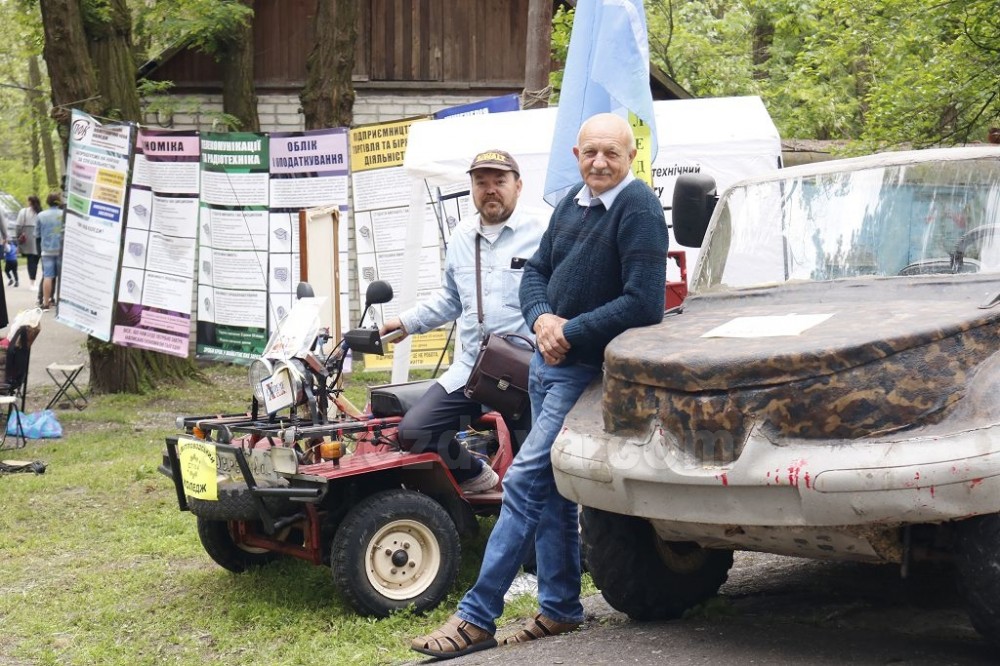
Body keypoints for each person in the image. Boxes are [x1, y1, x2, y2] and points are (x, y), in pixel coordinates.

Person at [411, 113, 668, 659]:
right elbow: (536, 273)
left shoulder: (638, 207)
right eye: (590, 152)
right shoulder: (576, 199)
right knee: (550, 491)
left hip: (581, 369)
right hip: (545, 362)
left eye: (611, 154)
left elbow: (644, 301)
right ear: (577, 154)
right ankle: (559, 610)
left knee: (524, 481)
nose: (600, 162)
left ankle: (477, 617)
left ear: (629, 157)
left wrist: (568, 330)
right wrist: (543, 318)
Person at [380, 149, 546, 493]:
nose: (490, 189)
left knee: (533, 472)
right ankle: (475, 474)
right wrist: (406, 322)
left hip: (528, 372)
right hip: (476, 368)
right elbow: (451, 299)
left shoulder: (545, 230)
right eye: (481, 182)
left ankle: (538, 535)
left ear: (518, 185)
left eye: (499, 181)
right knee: (416, 430)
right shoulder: (461, 236)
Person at [36, 192, 64, 310]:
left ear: (47, 201)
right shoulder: (64, 215)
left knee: (48, 276)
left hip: (46, 250)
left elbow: (37, 234)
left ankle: (46, 303)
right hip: (61, 250)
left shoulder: (41, 215)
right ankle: (60, 302)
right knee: (61, 277)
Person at [15, 195, 41, 288]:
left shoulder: (24, 211)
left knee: (30, 260)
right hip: (38, 238)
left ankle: (32, 282)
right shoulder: (40, 212)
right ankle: (33, 281)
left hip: (28, 239)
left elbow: (18, 225)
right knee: (35, 260)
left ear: (30, 202)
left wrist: (18, 236)